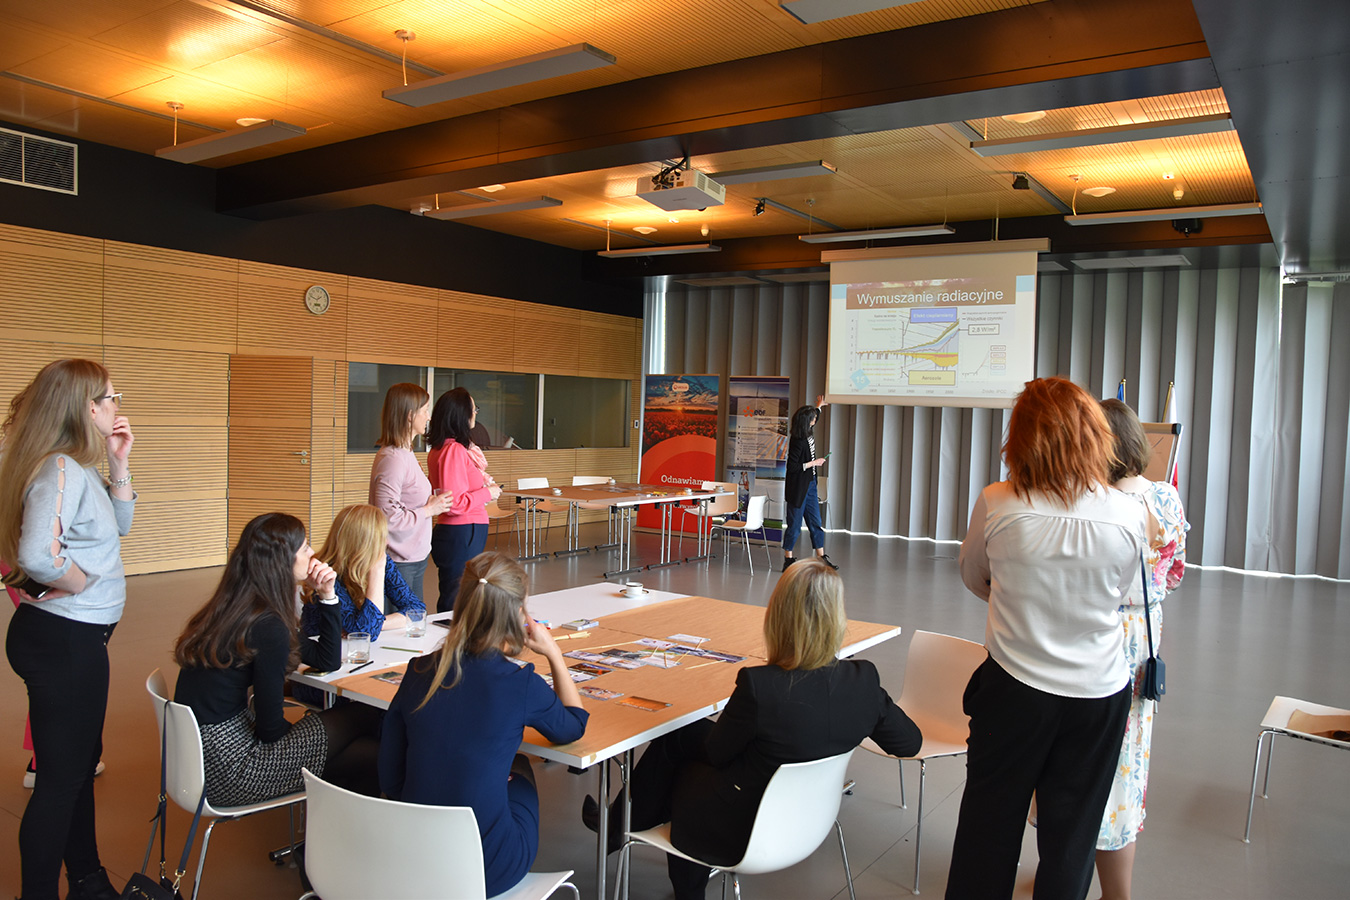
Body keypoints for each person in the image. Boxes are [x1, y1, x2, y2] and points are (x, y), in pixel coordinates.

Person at [583, 559, 921, 899]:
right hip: (811, 820)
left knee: (681, 766)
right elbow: (909, 743)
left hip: (743, 831)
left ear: (777, 617)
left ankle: (625, 833)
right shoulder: (863, 682)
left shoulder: (761, 686)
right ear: (838, 617)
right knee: (682, 738)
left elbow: (718, 753)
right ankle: (618, 826)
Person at [945, 377, 1149, 900]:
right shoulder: (1129, 513)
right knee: (1072, 839)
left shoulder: (997, 502)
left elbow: (975, 577)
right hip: (1099, 695)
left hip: (1013, 688)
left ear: (1021, 438)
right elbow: (1120, 592)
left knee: (988, 827)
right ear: (1094, 435)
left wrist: (1020, 598)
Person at [0, 359, 135, 900]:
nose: (117, 406)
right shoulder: (59, 467)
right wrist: (78, 582)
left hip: (69, 638)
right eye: (111, 397)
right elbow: (37, 554)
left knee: (72, 769)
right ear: (87, 407)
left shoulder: (71, 465)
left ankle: (87, 879)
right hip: (66, 640)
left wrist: (119, 462)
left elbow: (120, 526)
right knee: (60, 784)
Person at [378, 552, 588, 897]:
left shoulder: (418, 670)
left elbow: (391, 777)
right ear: (517, 614)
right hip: (489, 867)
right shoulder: (520, 682)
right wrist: (554, 654)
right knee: (519, 768)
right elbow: (573, 727)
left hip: (416, 856)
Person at [174, 513, 383, 807]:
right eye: (305, 547)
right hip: (234, 770)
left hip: (201, 761)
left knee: (367, 752)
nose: (313, 553)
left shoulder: (236, 607)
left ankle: (328, 826)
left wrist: (327, 595)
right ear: (282, 561)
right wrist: (312, 745)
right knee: (369, 717)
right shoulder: (268, 626)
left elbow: (326, 660)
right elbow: (271, 730)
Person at [1094, 399, 1188, 900]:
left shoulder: (1092, 504)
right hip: (1143, 639)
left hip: (1095, 634)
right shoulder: (1164, 498)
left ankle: (1071, 873)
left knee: (1081, 756)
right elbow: (1173, 574)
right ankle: (1117, 890)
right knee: (1127, 759)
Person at [368, 383, 452, 606]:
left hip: (413, 556)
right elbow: (388, 517)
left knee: (414, 619)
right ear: (409, 415)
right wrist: (429, 510)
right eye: (425, 411)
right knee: (402, 622)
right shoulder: (393, 459)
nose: (429, 417)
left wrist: (429, 504)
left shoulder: (405, 453)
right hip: (399, 560)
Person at [300, 503, 425, 640]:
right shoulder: (324, 573)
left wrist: (379, 623)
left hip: (352, 648)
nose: (387, 542)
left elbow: (417, 610)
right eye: (381, 537)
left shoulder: (379, 561)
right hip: (319, 649)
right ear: (362, 542)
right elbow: (366, 633)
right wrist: (377, 571)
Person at [427, 387, 502, 612]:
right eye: (473, 409)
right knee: (458, 598)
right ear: (460, 413)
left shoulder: (443, 448)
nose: (475, 413)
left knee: (460, 594)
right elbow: (455, 503)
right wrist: (488, 493)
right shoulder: (454, 450)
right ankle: (454, 634)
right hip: (462, 531)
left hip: (461, 532)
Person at [783, 395, 835, 571]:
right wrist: (814, 463)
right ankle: (788, 559)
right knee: (794, 526)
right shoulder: (798, 440)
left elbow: (815, 416)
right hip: (798, 488)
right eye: (813, 419)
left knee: (815, 522)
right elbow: (792, 467)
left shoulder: (808, 430)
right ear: (807, 423)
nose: (815, 420)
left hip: (811, 485)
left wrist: (819, 406)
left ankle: (821, 557)